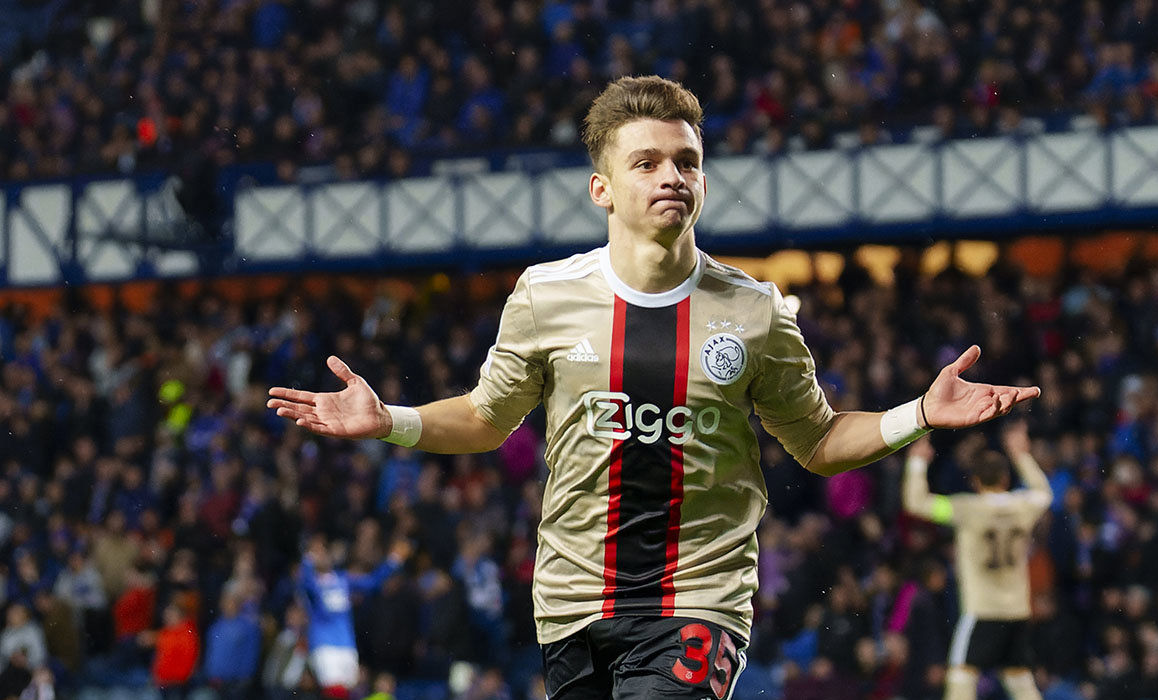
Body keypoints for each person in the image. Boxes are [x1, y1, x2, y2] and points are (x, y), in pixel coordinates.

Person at [268, 75, 1039, 700]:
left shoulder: (756, 311)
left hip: (698, 597)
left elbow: (818, 439)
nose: (672, 175)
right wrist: (391, 420)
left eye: (687, 161)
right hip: (572, 603)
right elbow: (485, 417)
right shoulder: (544, 296)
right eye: (646, 162)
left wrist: (918, 413)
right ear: (601, 188)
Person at [901, 422, 1051, 700]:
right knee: (1020, 681)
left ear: (975, 481)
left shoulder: (966, 509)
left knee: (961, 679)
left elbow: (916, 502)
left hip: (982, 610)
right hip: (1017, 611)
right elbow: (1044, 494)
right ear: (1005, 478)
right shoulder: (1023, 506)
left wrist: (917, 463)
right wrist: (1022, 455)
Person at [297, 535, 410, 699]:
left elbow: (372, 582)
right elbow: (305, 582)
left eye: (323, 551)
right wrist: (308, 558)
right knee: (333, 689)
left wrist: (393, 560)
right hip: (323, 644)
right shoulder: (312, 583)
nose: (321, 555)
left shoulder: (343, 580)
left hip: (346, 644)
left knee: (349, 689)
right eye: (316, 552)